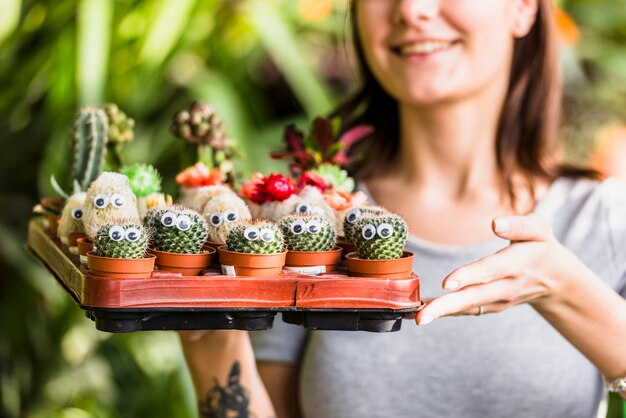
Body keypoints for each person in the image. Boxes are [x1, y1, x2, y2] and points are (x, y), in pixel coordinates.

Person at [179, 0, 626, 417]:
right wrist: (210, 342)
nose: (411, 10)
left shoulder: (604, 219)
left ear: (524, 7)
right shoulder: (305, 222)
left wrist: (566, 289)